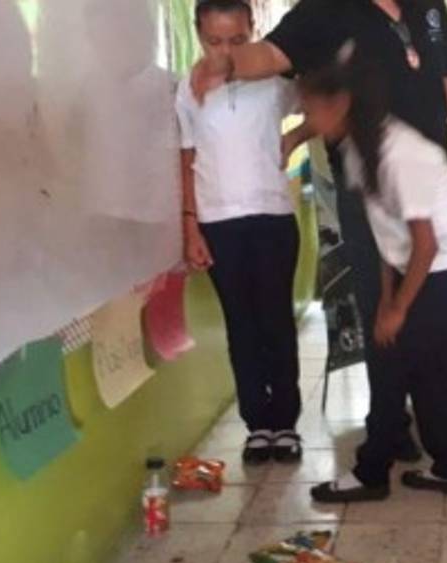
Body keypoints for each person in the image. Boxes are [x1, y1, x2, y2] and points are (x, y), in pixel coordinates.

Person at [192, 0, 447, 465]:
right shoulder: (323, 11)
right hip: (370, 180)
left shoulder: (428, 5)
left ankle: (439, 399)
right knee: (381, 306)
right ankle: (390, 426)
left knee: (438, 306)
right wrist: (225, 62)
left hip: (429, 173)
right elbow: (270, 55)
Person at [303, 44, 447, 502]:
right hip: (418, 260)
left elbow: (427, 243)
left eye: (312, 108)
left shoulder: (399, 153)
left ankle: (390, 471)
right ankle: (437, 468)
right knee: (402, 364)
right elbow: (387, 237)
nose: (307, 120)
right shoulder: (358, 148)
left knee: (411, 368)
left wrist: (400, 307)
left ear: (341, 104)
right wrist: (387, 301)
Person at [177, 0, 303, 463]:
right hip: (217, 223)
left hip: (272, 217)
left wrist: (297, 136)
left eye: (237, 40)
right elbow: (186, 159)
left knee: (276, 321)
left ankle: (285, 423)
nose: (226, 52)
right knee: (241, 326)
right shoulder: (188, 89)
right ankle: (258, 424)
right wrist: (190, 226)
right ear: (199, 35)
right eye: (215, 41)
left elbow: (327, 96)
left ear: (253, 30)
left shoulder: (273, 80)